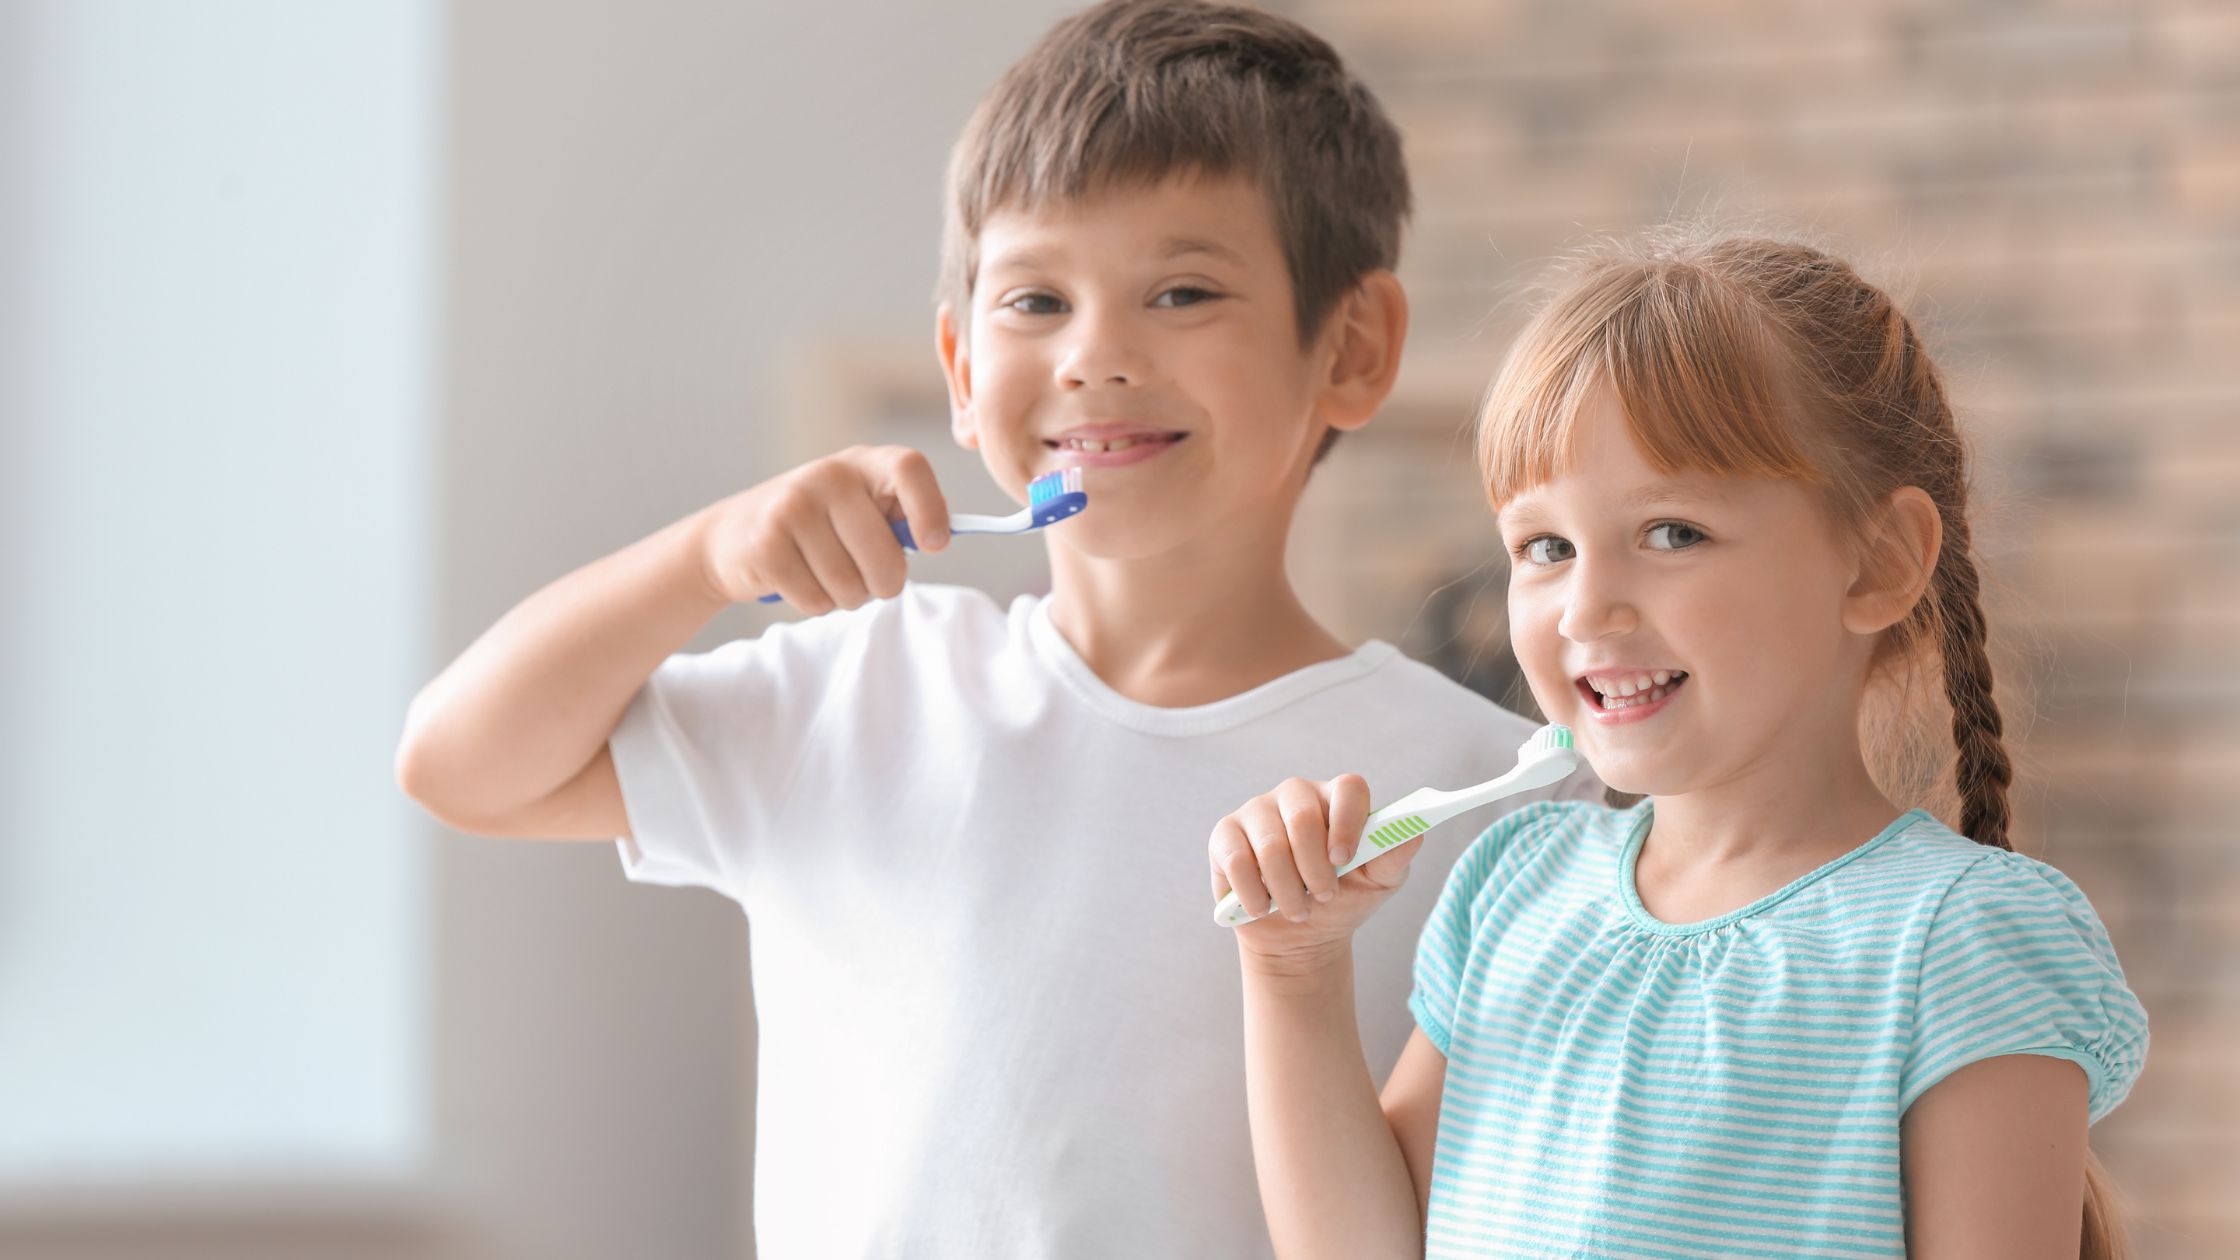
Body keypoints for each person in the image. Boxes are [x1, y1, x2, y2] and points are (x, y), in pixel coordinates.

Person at [395, 3, 1599, 1255]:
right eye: (1034, 301)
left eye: (1180, 290)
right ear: (961, 370)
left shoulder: (1481, 795)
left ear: (1351, 347)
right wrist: (699, 559)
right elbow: (459, 764)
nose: (1093, 354)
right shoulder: (857, 690)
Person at [1214, 231, 2149, 1259]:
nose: (1584, 607)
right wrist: (1292, 973)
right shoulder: (1507, 892)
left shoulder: (1961, 940)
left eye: (1670, 533)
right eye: (1544, 548)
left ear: (1876, 563)